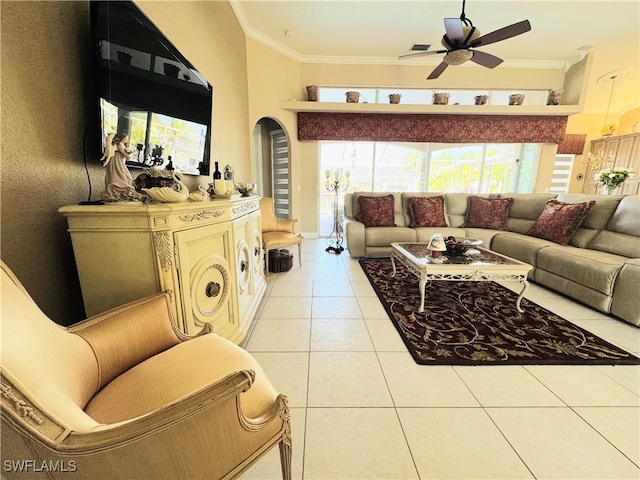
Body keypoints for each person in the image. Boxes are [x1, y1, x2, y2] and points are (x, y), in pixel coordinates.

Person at [101, 131, 141, 201]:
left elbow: (125, 151)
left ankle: (124, 193)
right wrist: (128, 156)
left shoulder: (122, 145)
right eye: (126, 137)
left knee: (127, 177)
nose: (127, 139)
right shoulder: (119, 145)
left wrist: (130, 151)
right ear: (122, 138)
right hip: (117, 162)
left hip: (121, 162)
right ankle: (118, 191)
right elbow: (123, 153)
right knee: (121, 175)